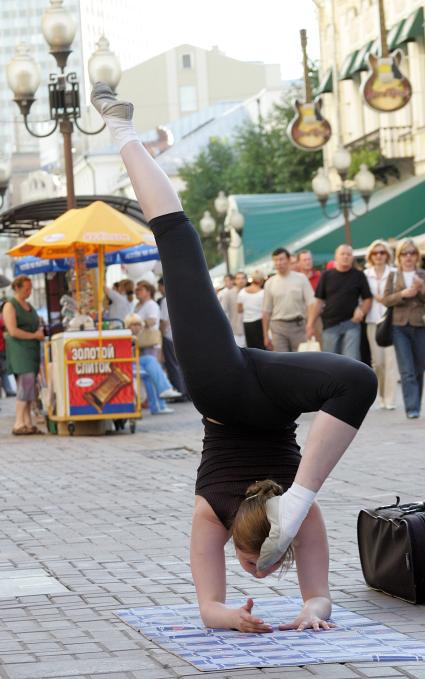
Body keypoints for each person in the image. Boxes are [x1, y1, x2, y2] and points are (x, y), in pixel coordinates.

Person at [92, 82, 377, 633]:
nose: (256, 574)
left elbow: (208, 607)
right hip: (265, 396)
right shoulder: (295, 519)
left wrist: (228, 614)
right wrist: (311, 609)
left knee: (178, 244)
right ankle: (125, 131)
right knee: (357, 380)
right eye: (257, 566)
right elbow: (317, 596)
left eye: (251, 566)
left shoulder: (211, 513)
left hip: (224, 388)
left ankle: (122, 130)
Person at [381, 239, 425, 419]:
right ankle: (412, 408)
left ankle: (416, 403)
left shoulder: (422, 274)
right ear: (399, 256)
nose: (408, 257)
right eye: (404, 253)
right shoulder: (393, 275)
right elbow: (386, 300)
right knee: (407, 369)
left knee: (419, 368)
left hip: (420, 324)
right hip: (399, 326)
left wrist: (421, 289)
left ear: (417, 256)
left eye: (412, 253)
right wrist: (403, 294)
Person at [307, 244, 372, 361]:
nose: (346, 257)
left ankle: (351, 380)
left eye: (349, 254)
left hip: (352, 324)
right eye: (342, 254)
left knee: (352, 361)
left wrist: (362, 310)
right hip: (330, 325)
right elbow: (319, 301)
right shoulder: (326, 275)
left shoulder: (359, 275)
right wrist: (310, 324)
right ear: (336, 256)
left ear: (352, 257)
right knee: (331, 362)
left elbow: (368, 298)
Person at [3, 275, 45, 435]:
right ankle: (18, 422)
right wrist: (34, 335)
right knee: (25, 385)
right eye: (26, 289)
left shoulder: (28, 305)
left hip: (31, 350)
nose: (29, 291)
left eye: (30, 288)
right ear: (17, 288)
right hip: (19, 351)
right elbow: (13, 331)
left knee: (30, 387)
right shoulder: (10, 305)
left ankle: (27, 421)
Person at [364, 240, 398, 410]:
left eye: (382, 252)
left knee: (391, 361)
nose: (378, 255)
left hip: (391, 321)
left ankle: (390, 399)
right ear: (370, 256)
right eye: (375, 253)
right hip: (372, 321)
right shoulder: (365, 274)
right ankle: (381, 395)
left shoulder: (394, 272)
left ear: (387, 255)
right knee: (377, 363)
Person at [124, 314, 180, 413]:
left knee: (150, 366)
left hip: (133, 362)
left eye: (138, 324)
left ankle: (158, 404)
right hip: (125, 365)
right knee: (150, 364)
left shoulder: (136, 336)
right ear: (128, 326)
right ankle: (162, 399)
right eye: (133, 325)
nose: (136, 327)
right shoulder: (126, 336)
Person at [262, 248, 315, 352]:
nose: (279, 263)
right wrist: (265, 335)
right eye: (276, 260)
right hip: (278, 327)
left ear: (289, 259)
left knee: (301, 360)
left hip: (299, 326)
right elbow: (266, 311)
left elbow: (311, 303)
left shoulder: (301, 278)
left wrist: (310, 325)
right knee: (281, 361)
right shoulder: (269, 283)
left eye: (281, 259)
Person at [158, 277, 188, 398]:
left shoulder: (166, 300)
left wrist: (161, 334)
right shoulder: (182, 296)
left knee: (173, 365)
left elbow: (164, 321)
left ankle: (180, 392)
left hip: (169, 336)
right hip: (182, 335)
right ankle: (186, 391)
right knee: (182, 365)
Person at [237, 270, 265, 349]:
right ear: (261, 280)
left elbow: (239, 310)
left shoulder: (242, 292)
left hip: (247, 323)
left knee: (251, 348)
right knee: (261, 347)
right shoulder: (263, 293)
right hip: (259, 322)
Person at [134, 280, 161, 358]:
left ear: (148, 292)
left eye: (140, 290)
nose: (137, 292)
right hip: (141, 342)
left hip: (149, 343)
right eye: (136, 290)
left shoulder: (151, 305)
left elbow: (152, 321)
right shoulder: (138, 305)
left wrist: (138, 325)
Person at [221, 271, 247, 347]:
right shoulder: (228, 294)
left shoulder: (250, 292)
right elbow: (222, 311)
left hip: (251, 328)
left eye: (243, 278)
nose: (241, 280)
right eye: (238, 278)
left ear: (246, 280)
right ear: (235, 281)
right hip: (237, 330)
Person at [0, 301, 16, 398]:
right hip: (1, 349)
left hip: (2, 348)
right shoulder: (1, 318)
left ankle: (8, 390)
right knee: (4, 371)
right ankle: (9, 390)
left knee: (4, 371)